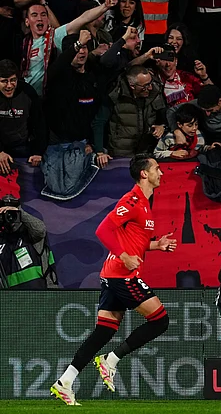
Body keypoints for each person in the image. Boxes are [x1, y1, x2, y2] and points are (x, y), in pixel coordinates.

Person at [50, 154, 176, 406]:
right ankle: (111, 360)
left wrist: (156, 245)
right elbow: (103, 230)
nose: (161, 173)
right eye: (157, 168)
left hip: (112, 274)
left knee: (104, 332)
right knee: (160, 320)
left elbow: (134, 241)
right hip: (122, 274)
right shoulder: (131, 200)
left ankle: (65, 382)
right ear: (144, 174)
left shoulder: (144, 203)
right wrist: (124, 256)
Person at [0, 60, 46, 173]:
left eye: (13, 80)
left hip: (24, 146)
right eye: (4, 81)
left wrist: (38, 152)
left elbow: (40, 124)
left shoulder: (28, 92)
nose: (9, 85)